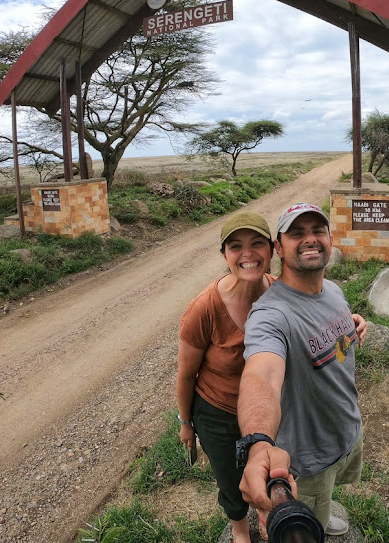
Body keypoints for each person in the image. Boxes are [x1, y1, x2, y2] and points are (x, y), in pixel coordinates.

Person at [236, 202, 368, 537]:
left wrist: (353, 329)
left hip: (345, 431)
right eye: (296, 233)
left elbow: (332, 342)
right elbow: (261, 375)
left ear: (330, 239)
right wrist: (259, 443)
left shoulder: (334, 291)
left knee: (329, 491)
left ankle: (323, 511)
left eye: (317, 231)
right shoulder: (271, 315)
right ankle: (317, 519)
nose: (309, 239)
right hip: (306, 461)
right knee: (307, 525)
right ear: (278, 247)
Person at [176, 211, 276, 543]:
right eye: (236, 246)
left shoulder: (280, 294)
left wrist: (348, 320)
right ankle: (239, 527)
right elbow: (187, 375)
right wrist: (186, 422)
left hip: (267, 410)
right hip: (218, 411)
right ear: (224, 256)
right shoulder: (204, 308)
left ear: (272, 250)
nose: (247, 254)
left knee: (272, 467)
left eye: (257, 243)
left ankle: (268, 513)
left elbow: (314, 315)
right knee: (230, 476)